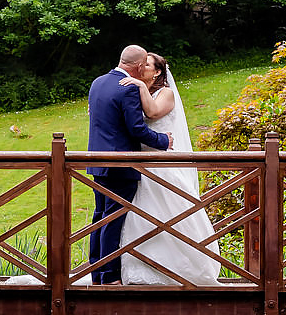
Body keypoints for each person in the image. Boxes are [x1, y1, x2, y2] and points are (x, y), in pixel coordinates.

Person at [115, 54, 221, 285]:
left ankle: (184, 266)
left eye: (147, 65)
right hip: (141, 164)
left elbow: (153, 113)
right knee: (142, 214)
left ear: (158, 72)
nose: (142, 68)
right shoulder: (135, 90)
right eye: (141, 64)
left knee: (172, 210)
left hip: (162, 164)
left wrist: (139, 85)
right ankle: (141, 266)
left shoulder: (166, 93)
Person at [85, 46, 171, 284]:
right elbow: (137, 129)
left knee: (100, 217)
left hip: (97, 163)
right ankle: (110, 278)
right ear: (138, 66)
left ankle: (97, 274)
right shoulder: (128, 89)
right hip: (120, 166)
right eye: (143, 64)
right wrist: (164, 140)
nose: (144, 68)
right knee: (113, 221)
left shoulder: (98, 83)